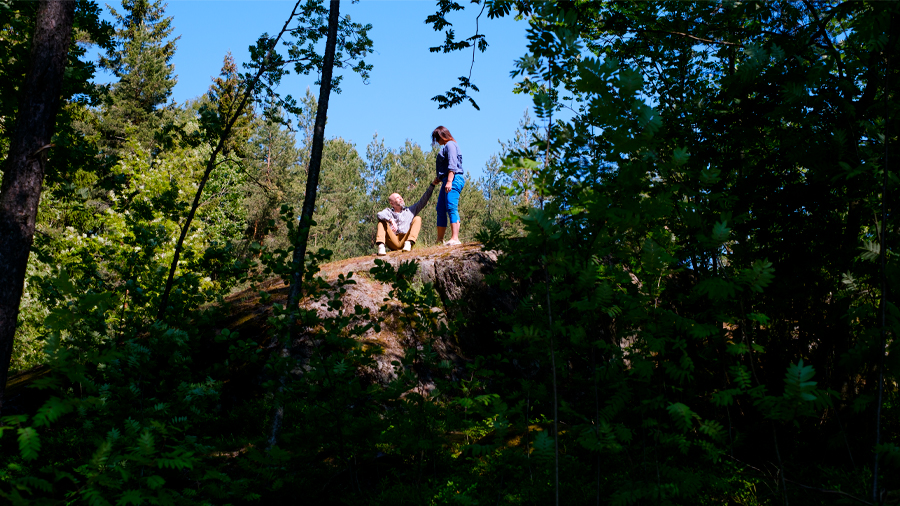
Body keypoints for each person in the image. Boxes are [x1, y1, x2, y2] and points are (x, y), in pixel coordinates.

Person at [374, 183, 437, 255]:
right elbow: (379, 214)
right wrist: (391, 220)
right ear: (392, 203)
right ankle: (381, 247)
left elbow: (423, 201)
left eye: (401, 197)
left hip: (405, 239)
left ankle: (409, 242)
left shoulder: (410, 210)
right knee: (381, 222)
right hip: (393, 241)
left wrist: (432, 186)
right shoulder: (388, 212)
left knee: (417, 218)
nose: (401, 198)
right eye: (397, 198)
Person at [432, 126, 465, 245]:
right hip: (447, 179)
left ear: (442, 136)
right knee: (440, 209)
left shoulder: (450, 145)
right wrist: (439, 178)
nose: (437, 141)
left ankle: (455, 238)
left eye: (437, 138)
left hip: (454, 179)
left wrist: (450, 181)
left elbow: (452, 164)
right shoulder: (447, 146)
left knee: (451, 206)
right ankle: (439, 240)